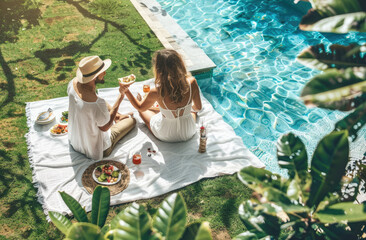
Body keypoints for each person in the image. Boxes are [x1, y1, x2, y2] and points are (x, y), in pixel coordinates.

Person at [67, 56, 136, 160]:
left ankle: (117, 116)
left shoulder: (73, 83)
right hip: (96, 148)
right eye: (103, 71)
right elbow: (105, 127)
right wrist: (121, 96)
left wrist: (115, 114)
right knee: (132, 120)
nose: (105, 73)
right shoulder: (96, 104)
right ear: (95, 77)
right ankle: (118, 118)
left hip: (76, 141)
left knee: (105, 108)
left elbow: (97, 103)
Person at [125, 49, 202, 142]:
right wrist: (186, 109)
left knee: (142, 112)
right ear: (180, 65)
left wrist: (126, 90)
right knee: (192, 111)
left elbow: (140, 107)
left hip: (167, 135)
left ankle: (161, 112)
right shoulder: (192, 82)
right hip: (189, 132)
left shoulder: (157, 91)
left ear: (158, 69)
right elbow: (198, 107)